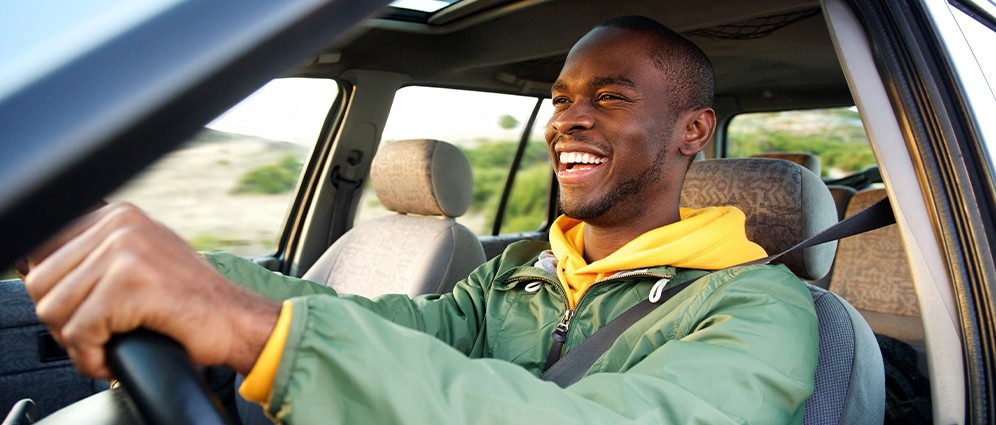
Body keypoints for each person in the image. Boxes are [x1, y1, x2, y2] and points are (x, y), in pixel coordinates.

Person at [24, 16, 817, 424]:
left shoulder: (756, 308)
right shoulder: (521, 277)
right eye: (563, 98)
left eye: (609, 97)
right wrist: (178, 266)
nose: (568, 119)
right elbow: (391, 326)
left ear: (693, 130)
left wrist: (256, 333)